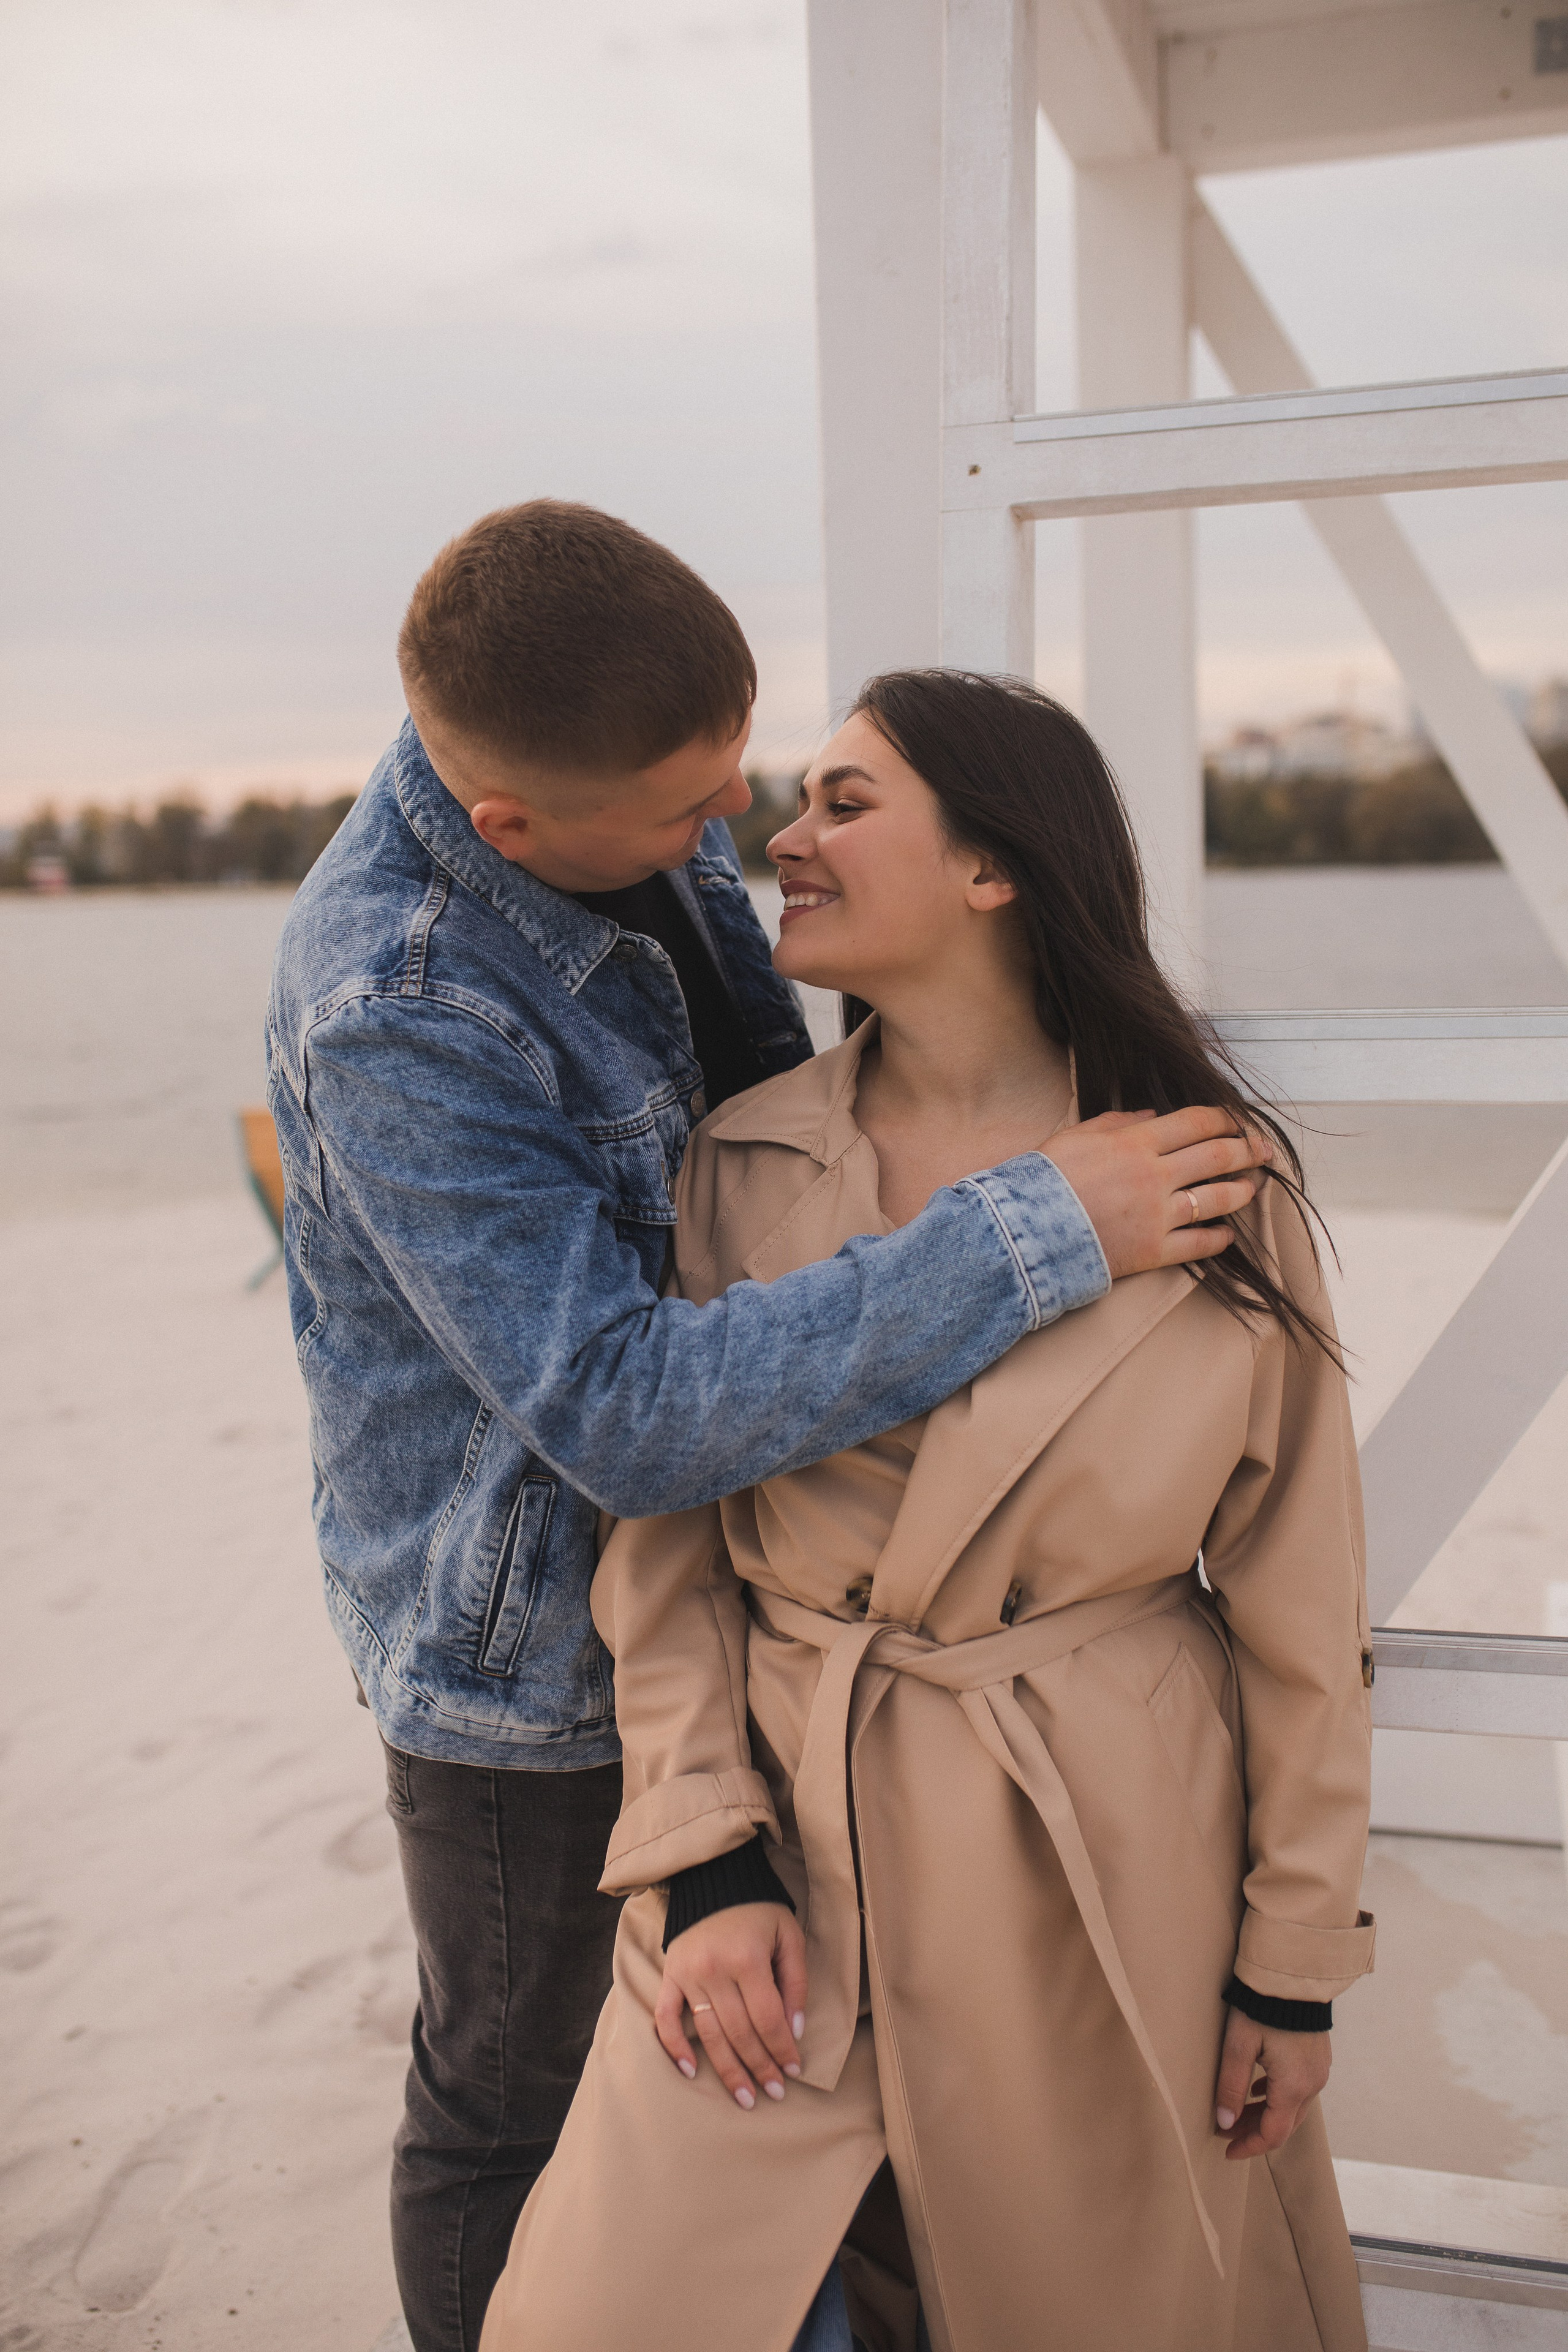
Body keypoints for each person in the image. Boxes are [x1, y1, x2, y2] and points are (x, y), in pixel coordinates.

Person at [267, 506, 1267, 2352]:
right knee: (519, 2116)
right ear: (511, 830)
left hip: (782, 1652)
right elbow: (631, 1414)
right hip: (538, 1679)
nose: (741, 840)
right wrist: (1042, 1221)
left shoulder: (628, 808)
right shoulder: (395, 1005)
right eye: (692, 817)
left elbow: (770, 1165)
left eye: (760, 782)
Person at [478, 670, 1376, 2352]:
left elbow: (1300, 1604)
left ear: (996, 866)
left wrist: (1294, 1958)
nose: (782, 838)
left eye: (843, 800)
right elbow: (663, 1571)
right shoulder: (736, 1163)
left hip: (1102, 1861)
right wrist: (699, 1858)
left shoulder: (1206, 1179)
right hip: (788, 1862)